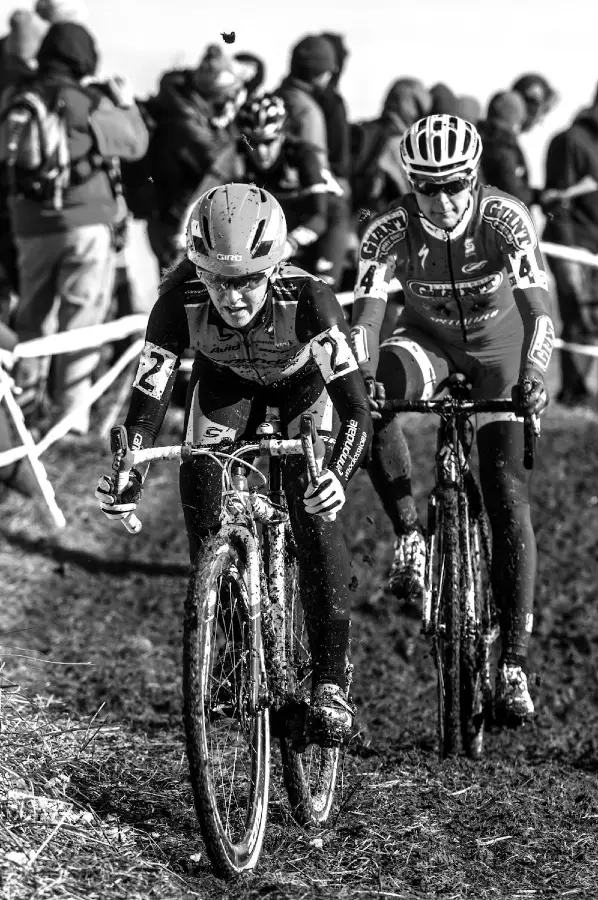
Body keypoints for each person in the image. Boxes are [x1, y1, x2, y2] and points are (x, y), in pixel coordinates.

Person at [94, 183, 373, 744]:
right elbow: (144, 412)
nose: (233, 295)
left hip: (303, 391)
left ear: (273, 268)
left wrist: (336, 477)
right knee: (200, 482)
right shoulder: (177, 302)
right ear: (199, 270)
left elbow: (357, 414)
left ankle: (329, 683)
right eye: (219, 280)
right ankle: (228, 647)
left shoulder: (311, 299)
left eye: (248, 278)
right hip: (226, 387)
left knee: (311, 503)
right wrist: (129, 473)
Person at [351, 115, 555, 726]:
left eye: (454, 185)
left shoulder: (504, 219)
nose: (441, 200)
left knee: (504, 493)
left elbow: (540, 311)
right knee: (372, 393)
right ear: (409, 183)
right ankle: (411, 534)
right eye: (426, 187)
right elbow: (365, 317)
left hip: (502, 352)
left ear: (474, 175)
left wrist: (535, 377)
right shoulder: (386, 231)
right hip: (428, 342)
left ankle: (513, 665)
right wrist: (360, 374)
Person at [0, 21, 149, 435]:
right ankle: (70, 420)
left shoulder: (16, 96)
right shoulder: (86, 100)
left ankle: (21, 410)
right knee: (80, 320)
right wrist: (126, 105)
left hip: (28, 225)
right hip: (85, 223)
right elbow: (135, 144)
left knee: (32, 316)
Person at [198, 93, 328, 269]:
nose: (260, 151)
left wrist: (290, 243)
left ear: (281, 135)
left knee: (320, 288)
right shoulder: (236, 153)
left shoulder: (302, 155)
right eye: (253, 142)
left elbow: (320, 215)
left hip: (322, 221)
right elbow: (201, 197)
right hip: (281, 224)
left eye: (268, 142)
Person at [542, 86, 598, 406]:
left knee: (591, 321)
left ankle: (576, 392)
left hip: (591, 246)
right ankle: (572, 394)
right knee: (579, 319)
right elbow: (557, 203)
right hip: (572, 246)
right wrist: (569, 258)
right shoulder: (571, 140)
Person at [478, 91, 541, 208]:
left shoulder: (479, 138)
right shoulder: (504, 147)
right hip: (500, 219)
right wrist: (538, 196)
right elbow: (514, 194)